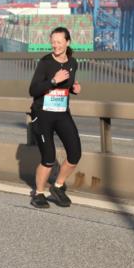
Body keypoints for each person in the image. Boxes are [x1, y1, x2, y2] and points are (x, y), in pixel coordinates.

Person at [27, 26, 82, 209]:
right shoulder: (45, 62)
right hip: (42, 114)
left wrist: (74, 88)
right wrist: (53, 81)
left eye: (59, 42)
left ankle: (57, 187)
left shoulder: (73, 63)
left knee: (75, 153)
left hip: (62, 113)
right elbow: (33, 90)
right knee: (49, 158)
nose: (55, 45)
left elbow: (68, 83)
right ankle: (39, 193)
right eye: (53, 42)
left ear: (67, 42)